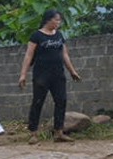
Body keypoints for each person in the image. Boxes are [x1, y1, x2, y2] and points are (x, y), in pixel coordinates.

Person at [19, 9, 81, 145]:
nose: (59, 23)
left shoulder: (59, 35)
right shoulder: (37, 36)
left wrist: (72, 71)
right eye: (57, 20)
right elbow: (28, 55)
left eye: (59, 20)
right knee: (38, 102)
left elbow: (64, 54)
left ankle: (59, 132)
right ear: (49, 20)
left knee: (61, 101)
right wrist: (23, 74)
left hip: (58, 74)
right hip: (41, 75)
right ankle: (33, 133)